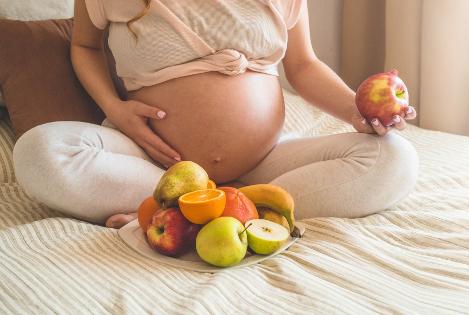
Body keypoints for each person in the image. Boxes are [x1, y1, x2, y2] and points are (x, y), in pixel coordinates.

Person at [12, 0, 418, 229]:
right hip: (152, 159)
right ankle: (201, 207)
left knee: (394, 158)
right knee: (38, 152)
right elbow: (84, 47)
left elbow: (304, 66)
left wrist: (356, 110)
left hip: (261, 163)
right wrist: (114, 109)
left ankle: (205, 211)